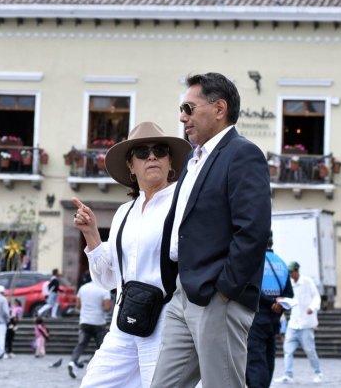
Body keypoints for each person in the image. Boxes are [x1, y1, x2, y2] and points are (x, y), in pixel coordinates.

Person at [154, 72, 272, 387]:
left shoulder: (242, 154)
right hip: (184, 292)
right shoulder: (194, 161)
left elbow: (253, 231)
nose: (182, 117)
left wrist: (225, 290)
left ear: (219, 109)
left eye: (189, 108)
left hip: (218, 298)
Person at [72, 121, 190, 387]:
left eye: (160, 150)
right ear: (131, 165)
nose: (151, 156)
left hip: (166, 326)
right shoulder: (124, 212)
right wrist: (91, 233)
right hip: (124, 324)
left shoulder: (183, 203)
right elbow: (108, 279)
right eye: (142, 152)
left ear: (170, 161)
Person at [247, 234, 292, 388]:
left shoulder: (255, 262)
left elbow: (252, 288)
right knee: (268, 356)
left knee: (255, 358)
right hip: (274, 318)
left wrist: (270, 302)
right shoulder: (282, 263)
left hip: (256, 316)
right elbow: (289, 294)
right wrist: (278, 304)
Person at [276, 261, 322, 384]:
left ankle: (318, 373)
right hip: (293, 323)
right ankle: (287, 374)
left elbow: (316, 297)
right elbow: (291, 300)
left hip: (306, 324)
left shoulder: (308, 282)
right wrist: (282, 300)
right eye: (289, 272)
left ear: (297, 271)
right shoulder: (289, 283)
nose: (290, 274)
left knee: (310, 350)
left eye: (291, 272)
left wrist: (312, 308)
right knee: (287, 350)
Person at [70, 273, 110, 372]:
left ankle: (72, 361)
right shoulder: (104, 290)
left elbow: (78, 306)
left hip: (84, 322)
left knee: (81, 344)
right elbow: (107, 307)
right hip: (99, 322)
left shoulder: (83, 288)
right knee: (102, 346)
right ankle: (100, 367)